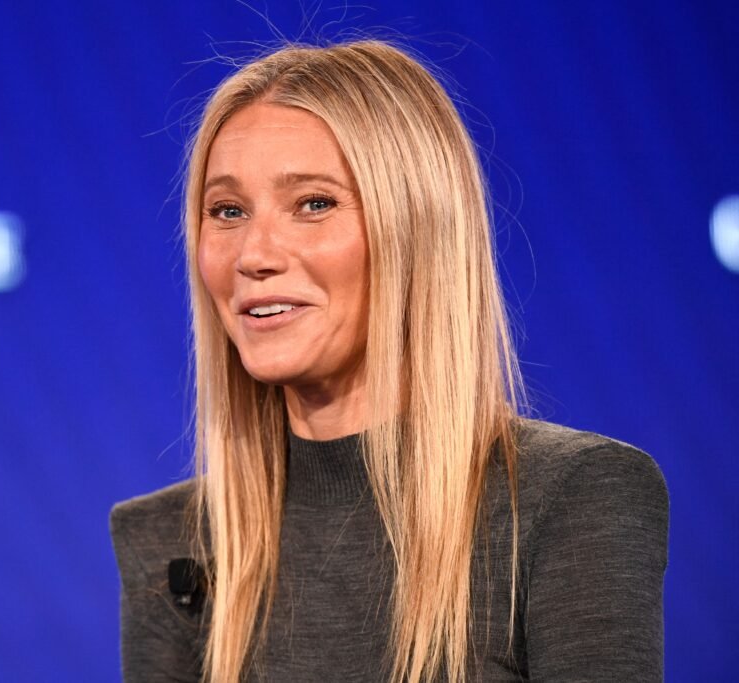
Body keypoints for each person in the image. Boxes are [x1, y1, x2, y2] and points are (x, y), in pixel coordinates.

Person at [110, 39, 668, 682]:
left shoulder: (567, 500)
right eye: (227, 211)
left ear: (417, 229)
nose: (253, 255)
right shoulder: (172, 543)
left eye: (313, 204)